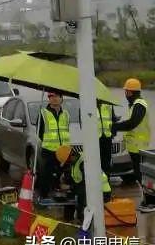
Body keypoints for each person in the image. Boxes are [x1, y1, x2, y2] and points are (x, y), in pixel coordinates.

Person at [112, 77, 154, 212]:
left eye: (126, 92)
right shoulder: (135, 104)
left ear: (129, 92)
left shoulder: (139, 105)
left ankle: (151, 202)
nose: (125, 94)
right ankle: (147, 200)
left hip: (140, 147)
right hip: (136, 147)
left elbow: (132, 123)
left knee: (143, 176)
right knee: (139, 176)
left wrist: (115, 126)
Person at [55, 145, 111, 222]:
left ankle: (83, 223)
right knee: (70, 201)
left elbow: (85, 184)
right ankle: (71, 221)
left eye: (67, 162)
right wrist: (65, 180)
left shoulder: (84, 162)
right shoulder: (75, 162)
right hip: (90, 191)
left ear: (71, 156)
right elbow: (77, 180)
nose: (68, 164)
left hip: (101, 192)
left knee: (82, 209)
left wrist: (69, 187)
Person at [37, 90, 71, 202]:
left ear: (62, 98)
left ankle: (60, 195)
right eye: (51, 96)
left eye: (56, 96)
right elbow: (40, 132)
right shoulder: (43, 113)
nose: (54, 98)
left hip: (63, 151)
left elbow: (66, 130)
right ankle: (44, 196)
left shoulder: (66, 113)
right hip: (49, 149)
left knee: (62, 175)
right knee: (46, 175)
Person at [97, 98, 115, 178]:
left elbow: (113, 119)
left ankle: (106, 183)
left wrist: (112, 134)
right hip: (95, 139)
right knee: (96, 163)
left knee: (106, 164)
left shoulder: (108, 104)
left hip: (107, 138)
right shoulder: (87, 104)